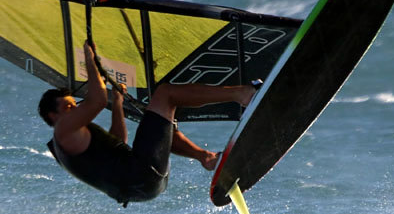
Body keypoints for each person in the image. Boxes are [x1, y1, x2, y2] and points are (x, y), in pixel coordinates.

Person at [39, 41, 256, 205]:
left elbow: (117, 142)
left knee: (160, 121)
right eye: (68, 106)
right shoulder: (63, 130)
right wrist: (89, 56)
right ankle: (242, 94)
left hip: (143, 185)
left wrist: (117, 104)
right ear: (52, 117)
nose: (75, 109)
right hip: (140, 173)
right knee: (165, 95)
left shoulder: (69, 141)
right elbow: (97, 100)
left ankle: (207, 158)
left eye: (73, 104)